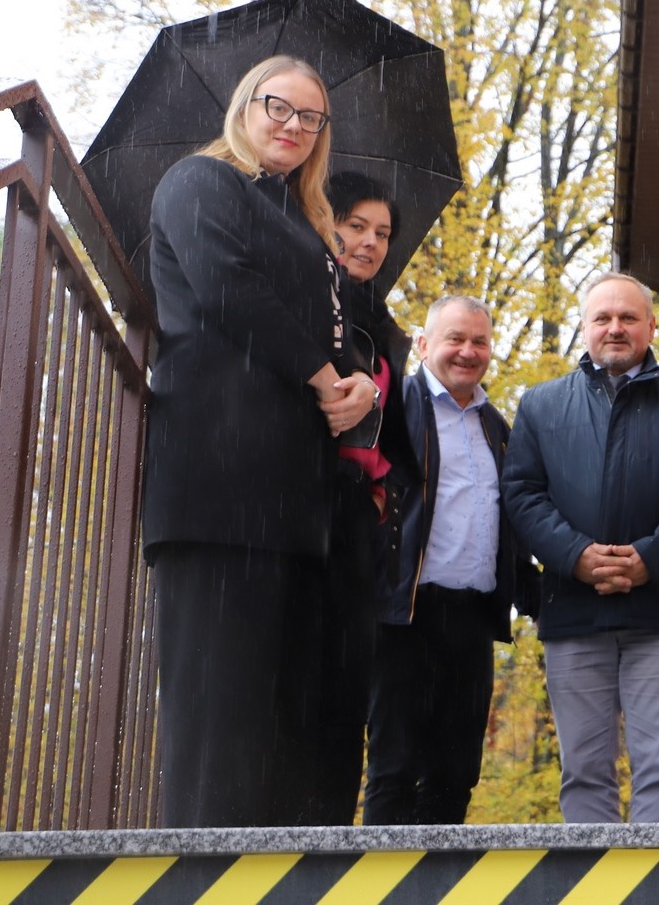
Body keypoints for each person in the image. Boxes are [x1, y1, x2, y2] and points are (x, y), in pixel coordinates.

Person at [142, 55, 381, 827]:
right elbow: (226, 287)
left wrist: (360, 383)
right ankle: (200, 878)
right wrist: (324, 376)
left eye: (311, 118)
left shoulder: (305, 226)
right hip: (219, 487)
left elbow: (328, 338)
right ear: (245, 105)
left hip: (294, 510)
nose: (293, 125)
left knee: (279, 737)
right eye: (278, 106)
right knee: (218, 729)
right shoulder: (199, 182)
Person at [502, 272, 659, 823]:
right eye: (602, 318)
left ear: (651, 326)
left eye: (628, 317)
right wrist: (574, 556)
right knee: (583, 773)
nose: (615, 328)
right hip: (574, 615)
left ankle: (655, 874)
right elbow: (522, 494)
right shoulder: (540, 405)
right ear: (585, 327)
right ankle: (592, 876)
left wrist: (651, 558)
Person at [365, 295, 538, 825]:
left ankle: (438, 876)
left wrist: (535, 593)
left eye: (479, 341)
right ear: (423, 344)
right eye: (455, 339)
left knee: (457, 773)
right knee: (393, 769)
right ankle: (382, 875)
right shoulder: (391, 410)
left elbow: (511, 524)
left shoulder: (497, 429)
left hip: (473, 619)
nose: (468, 351)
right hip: (403, 614)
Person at [322, 173, 416, 820]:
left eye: (382, 233)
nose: (370, 242)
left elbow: (396, 433)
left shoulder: (382, 325)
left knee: (349, 686)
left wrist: (386, 491)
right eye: (355, 225)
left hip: (363, 518)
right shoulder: (312, 304)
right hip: (308, 502)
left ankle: (331, 825)